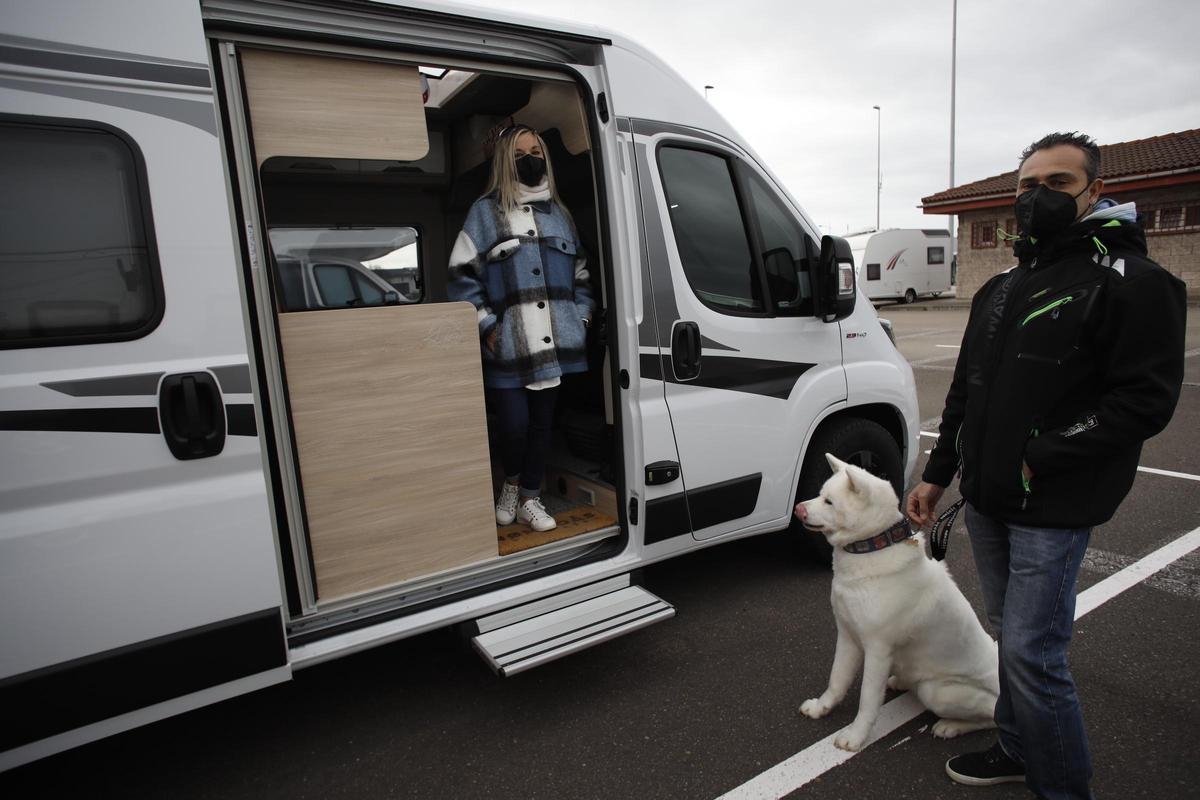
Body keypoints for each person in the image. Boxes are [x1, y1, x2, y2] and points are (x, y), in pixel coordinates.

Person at [907, 132, 1186, 799]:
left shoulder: (1136, 283)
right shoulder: (1001, 288)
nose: (1038, 197)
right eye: (1027, 186)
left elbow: (1142, 403)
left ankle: (1062, 785)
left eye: (1057, 184)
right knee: (1010, 636)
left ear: (1094, 192)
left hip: (1054, 503)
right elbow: (966, 392)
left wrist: (1041, 455)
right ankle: (1017, 745)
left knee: (1034, 654)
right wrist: (937, 471)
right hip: (991, 496)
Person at [448, 124, 594, 533]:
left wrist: (579, 321)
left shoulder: (561, 215)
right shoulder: (485, 212)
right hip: (508, 345)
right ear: (504, 163)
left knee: (542, 426)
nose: (530, 160)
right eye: (518, 155)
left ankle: (531, 495)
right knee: (512, 426)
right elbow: (461, 276)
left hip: (555, 347)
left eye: (535, 151)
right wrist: (487, 325)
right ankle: (511, 483)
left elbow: (582, 275)